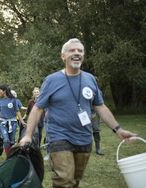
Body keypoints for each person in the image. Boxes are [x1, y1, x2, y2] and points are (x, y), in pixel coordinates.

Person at [19, 38, 136, 188]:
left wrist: (118, 129)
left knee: (75, 180)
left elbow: (100, 107)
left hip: (84, 138)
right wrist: (28, 135)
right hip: (59, 136)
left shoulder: (90, 79)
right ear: (63, 56)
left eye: (80, 51)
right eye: (72, 50)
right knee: (64, 180)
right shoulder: (52, 80)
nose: (77, 53)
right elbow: (37, 108)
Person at [0, 84, 26, 156]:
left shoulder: (13, 100)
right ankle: (8, 157)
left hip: (13, 122)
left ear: (4, 91)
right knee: (6, 140)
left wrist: (22, 122)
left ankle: (12, 154)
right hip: (2, 123)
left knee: (12, 141)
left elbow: (17, 111)